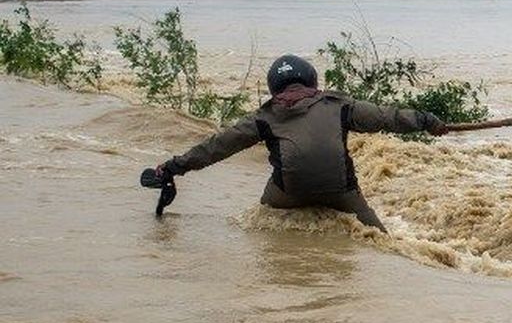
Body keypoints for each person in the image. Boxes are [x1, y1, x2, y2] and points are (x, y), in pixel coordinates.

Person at [153, 54, 448, 231]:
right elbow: (388, 117)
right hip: (341, 192)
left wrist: (173, 167)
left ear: (274, 88)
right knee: (380, 242)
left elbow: (216, 148)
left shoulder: (263, 118)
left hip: (287, 195)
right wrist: (427, 121)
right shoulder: (339, 105)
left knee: (262, 222)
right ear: (312, 81)